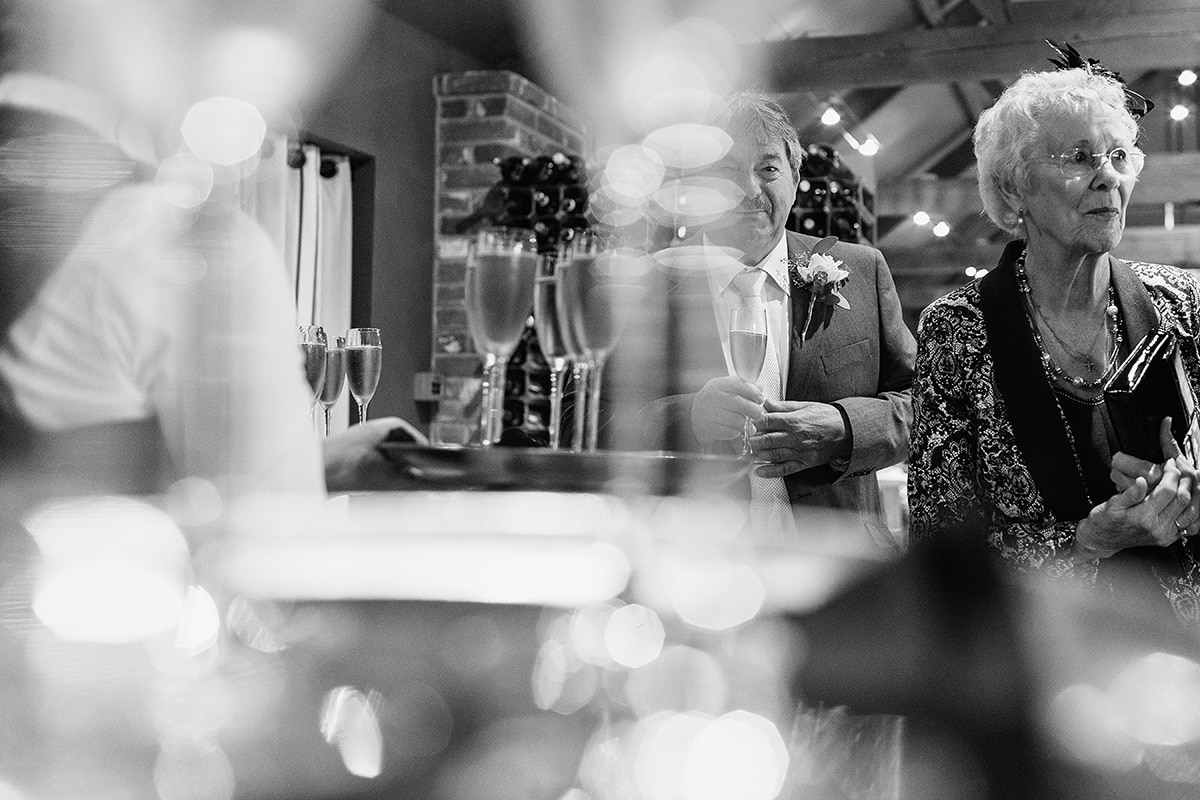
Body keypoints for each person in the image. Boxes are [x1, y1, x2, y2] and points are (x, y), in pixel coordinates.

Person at [907, 52, 1200, 628]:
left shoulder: (1181, 303)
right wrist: (1089, 542)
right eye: (1078, 158)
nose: (1108, 176)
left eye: (1118, 157)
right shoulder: (958, 327)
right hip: (1041, 646)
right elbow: (940, 542)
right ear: (1013, 193)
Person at [640, 91, 916, 542]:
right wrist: (688, 418)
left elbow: (927, 405)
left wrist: (845, 428)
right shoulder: (653, 286)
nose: (750, 190)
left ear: (794, 178)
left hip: (838, 564)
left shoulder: (862, 271)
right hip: (694, 562)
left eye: (768, 168)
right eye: (727, 171)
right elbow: (583, 418)